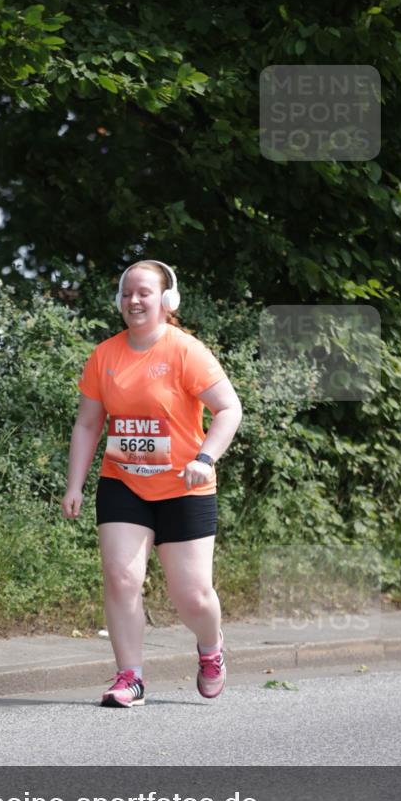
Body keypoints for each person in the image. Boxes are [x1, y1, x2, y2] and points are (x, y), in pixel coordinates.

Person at [61, 260, 242, 707]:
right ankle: (130, 677)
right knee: (121, 577)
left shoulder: (185, 351)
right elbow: (88, 424)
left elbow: (229, 409)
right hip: (123, 482)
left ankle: (210, 647)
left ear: (166, 301)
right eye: (127, 293)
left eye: (144, 293)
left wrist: (205, 457)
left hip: (185, 485)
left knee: (193, 597)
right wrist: (75, 484)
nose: (134, 301)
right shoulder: (105, 355)